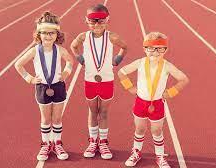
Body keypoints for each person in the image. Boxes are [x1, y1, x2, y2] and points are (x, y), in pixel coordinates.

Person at [118, 32, 189, 167]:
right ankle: (136, 152)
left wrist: (171, 92)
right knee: (139, 129)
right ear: (145, 49)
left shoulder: (167, 66)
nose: (155, 52)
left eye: (159, 49)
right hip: (140, 102)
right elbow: (121, 72)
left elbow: (184, 79)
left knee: (157, 130)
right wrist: (130, 87)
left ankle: (160, 156)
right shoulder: (140, 63)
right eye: (151, 48)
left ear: (165, 50)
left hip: (157, 104)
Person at [70, 4, 127, 159]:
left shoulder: (112, 36)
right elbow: (73, 46)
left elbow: (124, 46)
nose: (96, 25)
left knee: (104, 112)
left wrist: (117, 59)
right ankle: (93, 141)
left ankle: (103, 142)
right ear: (86, 21)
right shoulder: (83, 37)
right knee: (92, 111)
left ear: (107, 20)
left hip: (107, 80)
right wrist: (80, 58)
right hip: (90, 80)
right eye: (92, 21)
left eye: (101, 21)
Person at [14, 11, 73, 161]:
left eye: (52, 33)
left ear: (57, 34)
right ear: (39, 34)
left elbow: (70, 61)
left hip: (58, 87)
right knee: (46, 119)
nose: (48, 36)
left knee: (57, 118)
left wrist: (66, 73)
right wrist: (29, 78)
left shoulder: (60, 50)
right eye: (45, 33)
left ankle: (57, 143)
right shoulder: (34, 51)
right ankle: (46, 144)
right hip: (42, 88)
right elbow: (18, 64)